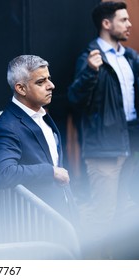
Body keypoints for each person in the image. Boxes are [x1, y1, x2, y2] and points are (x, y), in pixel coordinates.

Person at [67, 1, 139, 245]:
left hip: (130, 143)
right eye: (123, 20)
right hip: (104, 149)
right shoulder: (89, 58)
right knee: (103, 215)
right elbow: (75, 99)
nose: (129, 25)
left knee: (125, 208)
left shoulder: (130, 56)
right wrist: (89, 72)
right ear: (106, 24)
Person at [0, 54, 76, 222]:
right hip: (39, 221)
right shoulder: (7, 127)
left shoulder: (41, 113)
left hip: (62, 210)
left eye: (49, 79)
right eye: (40, 82)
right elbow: (4, 174)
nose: (51, 86)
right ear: (21, 88)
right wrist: (50, 172)